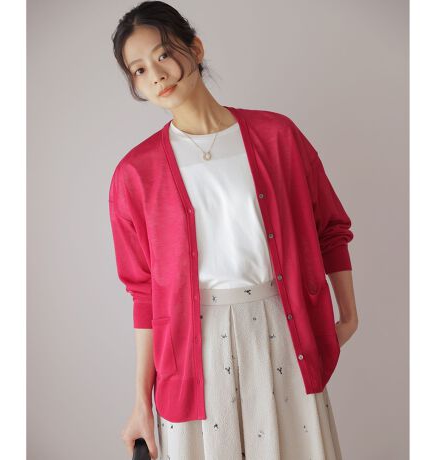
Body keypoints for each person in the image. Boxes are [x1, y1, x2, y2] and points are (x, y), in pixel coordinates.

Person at [109, 1, 358, 459]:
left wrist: (348, 315)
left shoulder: (278, 136)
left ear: (195, 48)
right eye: (139, 70)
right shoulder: (135, 174)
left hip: (282, 330)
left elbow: (330, 228)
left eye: (163, 55)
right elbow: (144, 293)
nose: (156, 76)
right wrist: (142, 401)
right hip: (194, 348)